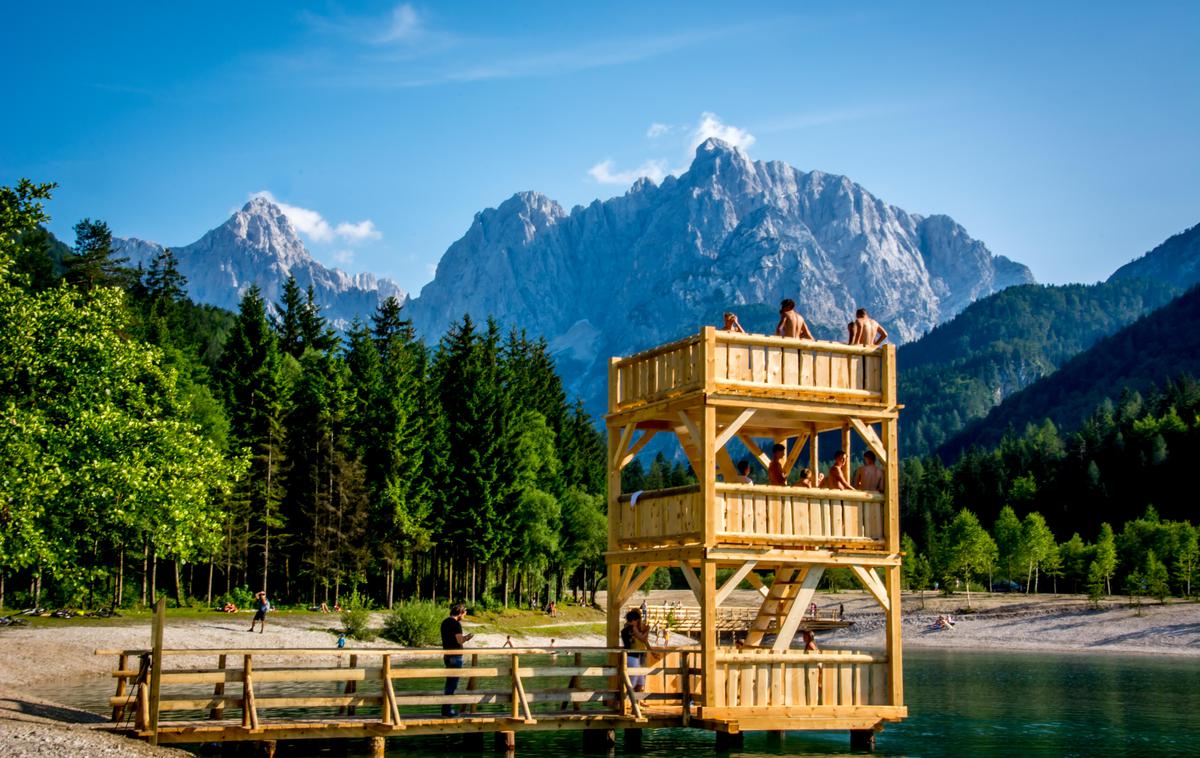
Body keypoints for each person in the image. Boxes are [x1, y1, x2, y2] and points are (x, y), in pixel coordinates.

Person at [440, 603, 474, 717]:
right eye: (464, 614)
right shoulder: (455, 624)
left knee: (449, 683)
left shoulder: (445, 622)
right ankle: (447, 711)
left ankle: (446, 709)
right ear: (460, 613)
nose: (464, 616)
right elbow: (459, 641)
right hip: (455, 656)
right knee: (452, 684)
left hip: (447, 655)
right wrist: (468, 638)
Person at [621, 609, 650, 692]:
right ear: (633, 620)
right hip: (633, 656)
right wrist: (647, 630)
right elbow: (643, 638)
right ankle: (626, 700)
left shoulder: (625, 629)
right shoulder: (633, 628)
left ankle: (634, 701)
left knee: (641, 681)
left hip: (631, 656)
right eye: (637, 621)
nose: (637, 623)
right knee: (633, 682)